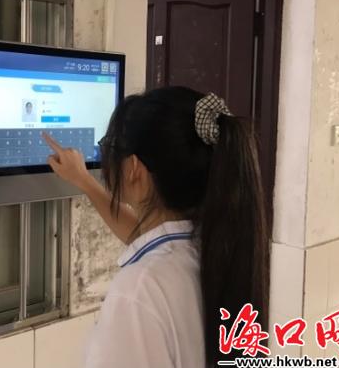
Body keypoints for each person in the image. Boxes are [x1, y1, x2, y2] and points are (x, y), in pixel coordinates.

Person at [43, 87, 269, 368]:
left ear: (133, 168)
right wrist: (84, 181)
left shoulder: (138, 292)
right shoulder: (212, 246)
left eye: (110, 148)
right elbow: (148, 238)